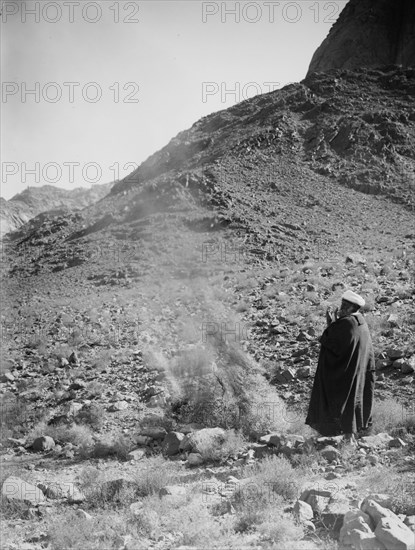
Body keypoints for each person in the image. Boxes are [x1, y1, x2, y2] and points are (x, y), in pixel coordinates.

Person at [305, 290, 375, 438]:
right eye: (342, 304)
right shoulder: (360, 321)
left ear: (353, 308)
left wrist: (331, 324)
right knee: (352, 402)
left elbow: (329, 340)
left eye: (345, 306)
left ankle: (342, 437)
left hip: (346, 374)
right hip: (358, 372)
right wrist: (335, 323)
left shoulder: (346, 323)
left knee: (340, 401)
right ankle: (350, 437)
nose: (341, 308)